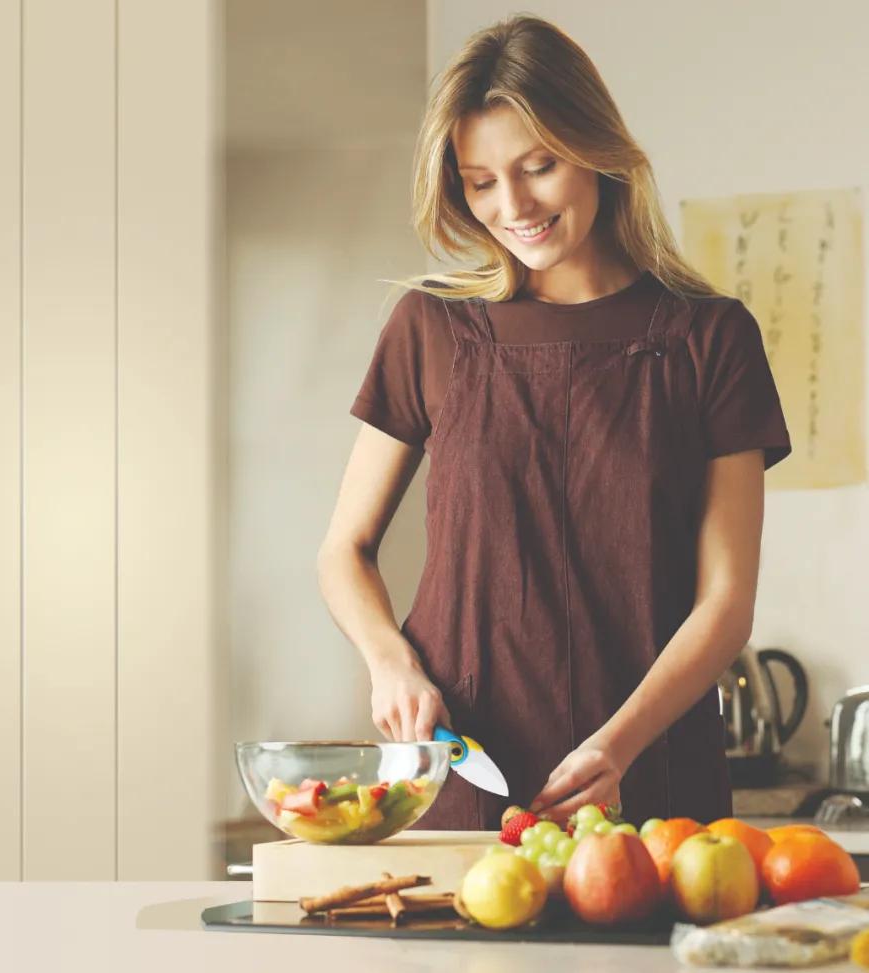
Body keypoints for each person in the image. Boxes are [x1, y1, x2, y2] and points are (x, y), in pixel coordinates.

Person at [315, 15, 792, 830]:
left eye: (540, 166)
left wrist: (620, 745)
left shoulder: (711, 338)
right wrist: (390, 664)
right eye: (480, 181)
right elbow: (343, 551)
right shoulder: (430, 327)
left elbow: (725, 603)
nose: (514, 205)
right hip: (461, 774)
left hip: (651, 779)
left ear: (598, 152)